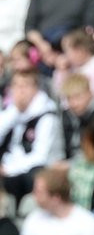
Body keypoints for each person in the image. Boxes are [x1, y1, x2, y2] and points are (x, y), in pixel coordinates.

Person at [0, 68, 64, 203]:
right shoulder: (12, 110)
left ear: (36, 88)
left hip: (34, 170)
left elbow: (40, 156)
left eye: (25, 85)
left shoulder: (46, 115)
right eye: (15, 85)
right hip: (9, 162)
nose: (20, 90)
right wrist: (14, 110)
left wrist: (8, 169)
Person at [21, 163, 94, 235]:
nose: (33, 195)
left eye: (39, 192)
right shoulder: (33, 219)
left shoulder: (87, 223)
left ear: (56, 198)